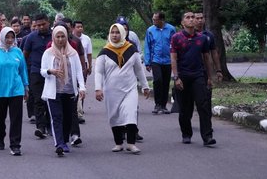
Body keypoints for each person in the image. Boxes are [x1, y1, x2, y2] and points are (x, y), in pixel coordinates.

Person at [95, 23, 150, 154]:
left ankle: (131, 144)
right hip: (111, 90)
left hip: (129, 89)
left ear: (123, 33)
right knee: (114, 116)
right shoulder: (104, 52)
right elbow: (99, 72)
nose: (115, 35)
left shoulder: (132, 50)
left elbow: (138, 70)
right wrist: (98, 88)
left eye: (117, 32)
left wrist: (145, 86)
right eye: (112, 32)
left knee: (131, 114)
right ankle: (118, 143)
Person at [40, 26, 86, 156]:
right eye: (57, 37)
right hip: (53, 92)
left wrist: (82, 87)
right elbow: (42, 71)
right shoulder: (48, 53)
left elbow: (78, 72)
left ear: (66, 37)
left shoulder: (73, 53)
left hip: (70, 91)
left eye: (63, 36)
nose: (60, 39)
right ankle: (59, 143)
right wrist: (51, 71)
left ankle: (64, 140)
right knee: (56, 117)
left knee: (67, 118)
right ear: (53, 38)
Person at [171, 12, 216, 147]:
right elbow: (173, 58)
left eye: (192, 17)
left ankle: (207, 137)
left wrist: (209, 77)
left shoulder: (202, 38)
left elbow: (207, 58)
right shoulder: (176, 37)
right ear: (182, 23)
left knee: (203, 106)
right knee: (185, 108)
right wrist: (176, 77)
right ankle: (186, 133)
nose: (191, 20)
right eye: (188, 18)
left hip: (198, 76)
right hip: (183, 76)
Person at [0, 27, 28, 156]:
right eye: (7, 37)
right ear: (2, 37)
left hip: (16, 89)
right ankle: (0, 137)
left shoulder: (18, 52)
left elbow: (22, 71)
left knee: (16, 119)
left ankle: (15, 145)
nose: (9, 40)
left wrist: (26, 87)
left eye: (11, 37)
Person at [23, 13, 52, 139]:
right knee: (38, 100)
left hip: (52, 72)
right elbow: (25, 55)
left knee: (50, 99)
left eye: (43, 24)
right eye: (38, 25)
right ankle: (40, 127)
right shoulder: (31, 37)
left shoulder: (55, 36)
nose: (40, 27)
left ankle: (51, 126)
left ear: (48, 23)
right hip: (35, 72)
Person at [144, 12, 175, 114]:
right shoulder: (150, 30)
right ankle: (157, 104)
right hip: (155, 60)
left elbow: (174, 45)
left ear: (161, 20)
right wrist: (147, 62)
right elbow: (147, 46)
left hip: (168, 60)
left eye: (155, 19)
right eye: (153, 19)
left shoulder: (171, 29)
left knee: (166, 82)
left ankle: (164, 105)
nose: (153, 21)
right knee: (158, 80)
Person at [194, 13, 223, 82]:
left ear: (204, 20)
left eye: (201, 18)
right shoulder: (188, 35)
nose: (200, 20)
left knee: (207, 89)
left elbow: (214, 52)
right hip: (191, 68)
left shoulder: (209, 35)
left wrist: (218, 70)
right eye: (197, 18)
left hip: (206, 68)